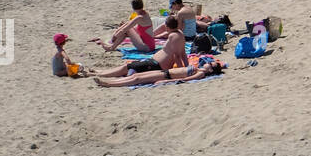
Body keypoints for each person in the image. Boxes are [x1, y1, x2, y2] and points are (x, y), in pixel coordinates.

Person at [94, 59, 225, 87]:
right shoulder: (199, 68)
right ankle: (110, 81)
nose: (208, 62)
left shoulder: (201, 74)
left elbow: (185, 80)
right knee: (135, 76)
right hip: (164, 71)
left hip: (165, 75)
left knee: (136, 80)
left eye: (210, 64)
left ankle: (109, 84)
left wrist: (164, 81)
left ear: (210, 69)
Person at [90, 0, 156, 53]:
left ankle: (111, 47)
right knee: (125, 27)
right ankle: (112, 47)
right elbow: (128, 24)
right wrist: (117, 31)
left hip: (146, 47)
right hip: (151, 45)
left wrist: (115, 36)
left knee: (126, 30)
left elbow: (125, 29)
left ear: (133, 7)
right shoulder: (145, 13)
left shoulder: (139, 17)